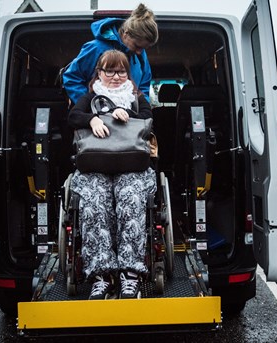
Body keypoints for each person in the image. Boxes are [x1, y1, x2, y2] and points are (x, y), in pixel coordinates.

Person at [68, 50, 156, 300]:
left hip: (132, 167)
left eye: (121, 71)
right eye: (110, 71)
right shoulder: (90, 96)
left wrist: (125, 113)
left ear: (128, 74)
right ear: (99, 73)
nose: (116, 77)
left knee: (130, 198)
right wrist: (93, 119)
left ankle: (130, 274)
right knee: (95, 202)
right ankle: (102, 275)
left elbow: (149, 120)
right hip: (95, 167)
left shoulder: (136, 97)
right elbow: (73, 117)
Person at [63, 3, 158, 105]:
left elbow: (144, 85)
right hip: (96, 118)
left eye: (144, 48)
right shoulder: (96, 48)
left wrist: (140, 109)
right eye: (137, 46)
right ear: (126, 33)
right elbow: (72, 78)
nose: (139, 52)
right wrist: (90, 107)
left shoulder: (140, 55)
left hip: (129, 118)